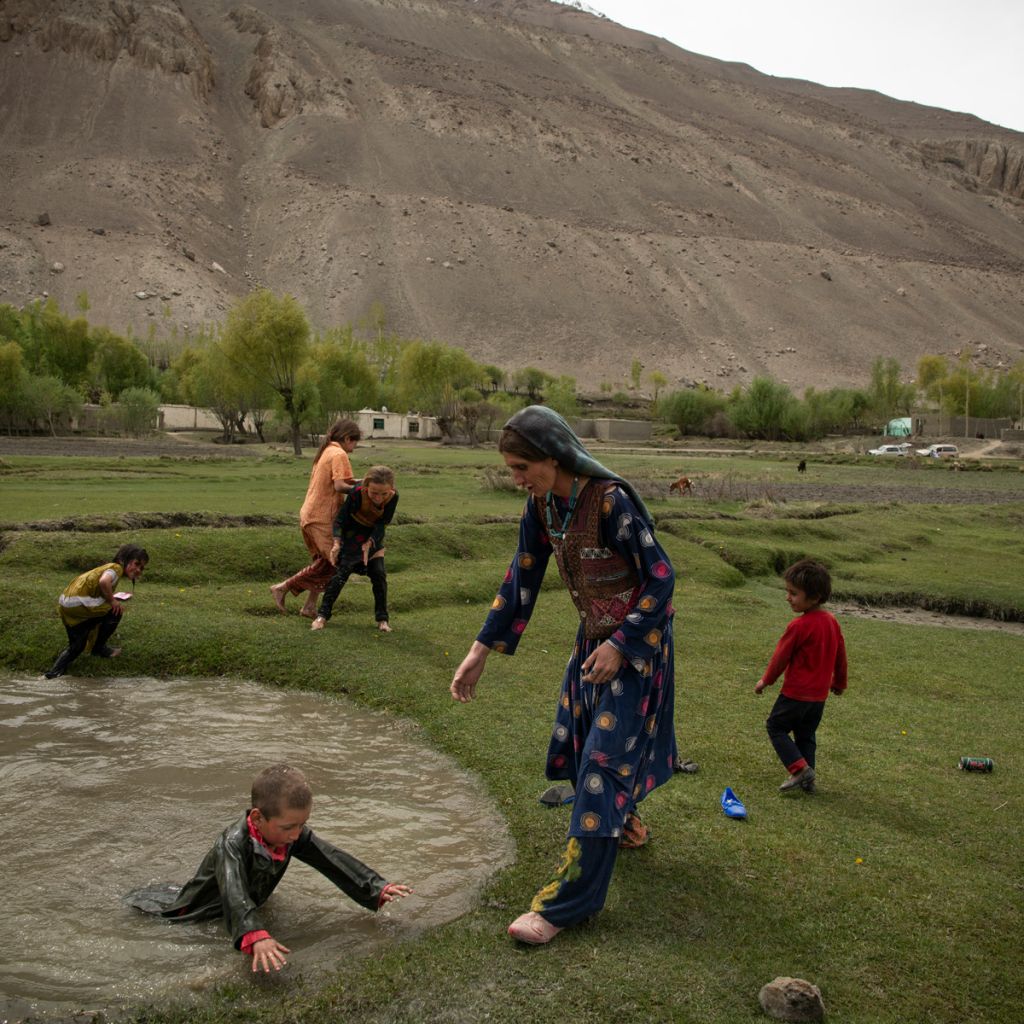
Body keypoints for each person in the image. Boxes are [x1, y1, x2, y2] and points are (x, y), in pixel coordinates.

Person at [450, 406, 677, 946]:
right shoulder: (542, 507)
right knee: (582, 747)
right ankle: (628, 825)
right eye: (511, 470)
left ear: (553, 458)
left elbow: (662, 580)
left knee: (601, 759)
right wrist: (479, 650)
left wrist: (623, 645)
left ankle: (565, 905)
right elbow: (521, 575)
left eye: (521, 467)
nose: (517, 479)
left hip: (636, 651)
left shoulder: (612, 502)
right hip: (591, 643)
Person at [126, 764, 412, 972]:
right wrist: (254, 933)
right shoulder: (231, 844)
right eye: (289, 826)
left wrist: (375, 886)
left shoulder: (290, 836)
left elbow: (331, 859)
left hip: (245, 904)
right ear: (257, 817)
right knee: (173, 922)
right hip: (198, 911)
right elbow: (234, 892)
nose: (297, 834)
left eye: (302, 824)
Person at [755, 559, 848, 793]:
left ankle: (799, 769)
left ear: (814, 597)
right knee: (806, 735)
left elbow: (780, 658)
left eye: (794, 593)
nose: (788, 597)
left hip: (796, 693)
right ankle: (809, 782)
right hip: (818, 697)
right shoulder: (832, 622)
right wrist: (839, 682)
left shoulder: (799, 626)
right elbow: (841, 654)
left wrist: (766, 680)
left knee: (775, 726)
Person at [271, 418, 360, 617]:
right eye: (354, 443)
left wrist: (363, 481)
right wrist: (362, 489)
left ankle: (309, 606)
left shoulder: (326, 451)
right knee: (335, 562)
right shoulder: (339, 453)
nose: (354, 448)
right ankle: (283, 587)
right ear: (347, 438)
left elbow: (342, 481)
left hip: (309, 514)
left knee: (324, 563)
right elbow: (340, 486)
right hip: (323, 517)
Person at [311, 466, 398, 633]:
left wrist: (370, 543)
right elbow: (340, 520)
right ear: (366, 487)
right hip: (351, 537)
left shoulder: (393, 497)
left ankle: (383, 620)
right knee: (340, 575)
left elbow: (382, 523)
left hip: (372, 538)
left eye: (384, 494)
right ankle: (322, 616)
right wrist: (336, 542)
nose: (379, 498)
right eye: (374, 493)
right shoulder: (356, 493)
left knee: (379, 574)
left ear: (391, 490)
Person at [44, 543, 148, 679]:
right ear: (124, 559)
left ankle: (52, 675)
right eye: (136, 563)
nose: (138, 569)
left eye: (142, 568)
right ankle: (99, 648)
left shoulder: (107, 568)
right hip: (79, 603)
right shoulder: (116, 568)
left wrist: (110, 598)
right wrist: (112, 601)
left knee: (77, 646)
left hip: (66, 603)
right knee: (115, 610)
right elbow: (104, 582)